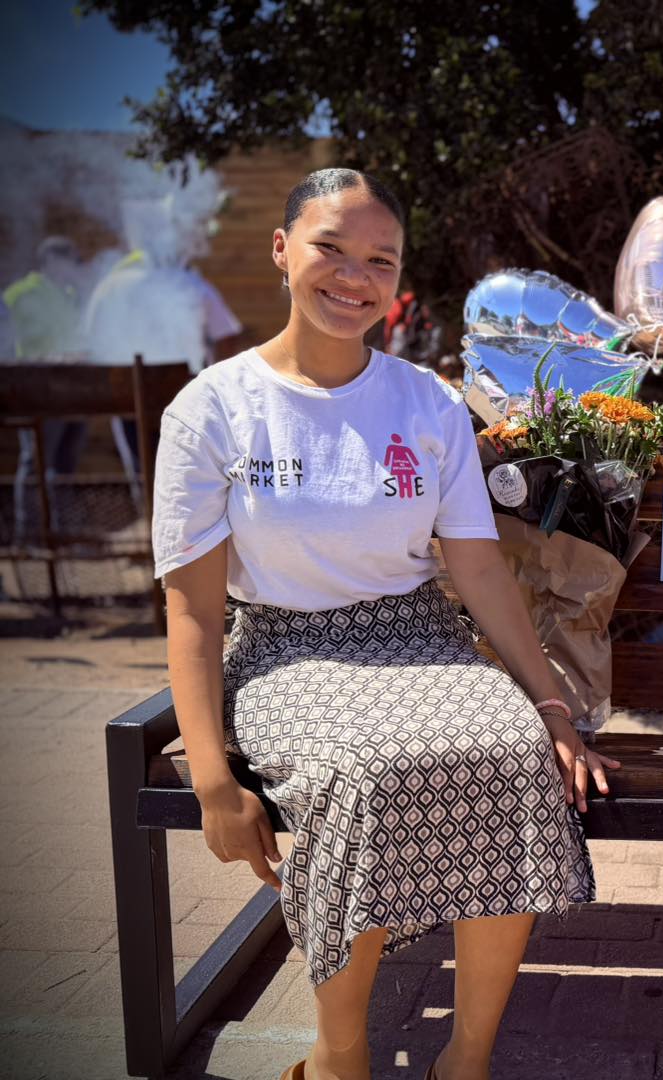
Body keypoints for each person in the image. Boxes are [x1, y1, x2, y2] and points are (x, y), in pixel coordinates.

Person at [151, 168, 615, 1080]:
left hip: (420, 638)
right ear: (282, 251)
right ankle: (339, 1058)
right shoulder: (211, 409)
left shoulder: (427, 402)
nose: (352, 276)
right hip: (285, 649)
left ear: (397, 280)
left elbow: (478, 570)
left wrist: (552, 707)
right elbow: (195, 613)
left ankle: (466, 1061)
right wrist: (213, 781)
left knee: (511, 755)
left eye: (379, 259)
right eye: (330, 248)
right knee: (357, 776)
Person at [5, 237, 90, 540]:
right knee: (36, 464)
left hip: (72, 393)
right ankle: (30, 535)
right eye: (70, 262)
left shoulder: (67, 295)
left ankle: (61, 533)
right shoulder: (20, 295)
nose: (74, 269)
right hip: (37, 392)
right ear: (52, 261)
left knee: (65, 466)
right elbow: (12, 345)